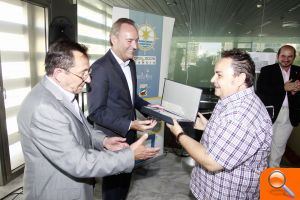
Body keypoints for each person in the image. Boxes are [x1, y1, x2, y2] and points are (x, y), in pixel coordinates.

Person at [17, 40, 160, 200]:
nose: (89, 80)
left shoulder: (61, 92)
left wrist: (104, 141)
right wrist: (129, 156)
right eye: (83, 73)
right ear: (59, 74)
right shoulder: (44, 109)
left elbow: (82, 127)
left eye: (88, 72)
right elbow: (79, 163)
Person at [167, 49, 272, 199]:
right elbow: (229, 135)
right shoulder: (230, 98)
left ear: (240, 78)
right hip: (209, 189)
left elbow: (212, 162)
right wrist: (208, 126)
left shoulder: (241, 116)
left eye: (219, 75)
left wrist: (179, 134)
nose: (212, 79)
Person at [87, 18, 158, 200]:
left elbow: (131, 98)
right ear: (113, 39)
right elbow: (96, 111)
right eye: (129, 41)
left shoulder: (131, 63)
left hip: (130, 136)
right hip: (113, 140)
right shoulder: (100, 68)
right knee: (113, 190)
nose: (135, 46)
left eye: (136, 41)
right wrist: (130, 124)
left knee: (124, 185)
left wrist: (151, 108)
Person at [256, 45, 300, 167]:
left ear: (294, 57)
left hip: (289, 115)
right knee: (264, 146)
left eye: (290, 56)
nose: (286, 59)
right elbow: (261, 92)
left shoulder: (298, 71)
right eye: (283, 56)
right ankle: (259, 175)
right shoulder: (267, 70)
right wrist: (283, 88)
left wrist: (295, 92)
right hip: (270, 113)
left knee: (279, 148)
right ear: (278, 56)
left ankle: (272, 178)